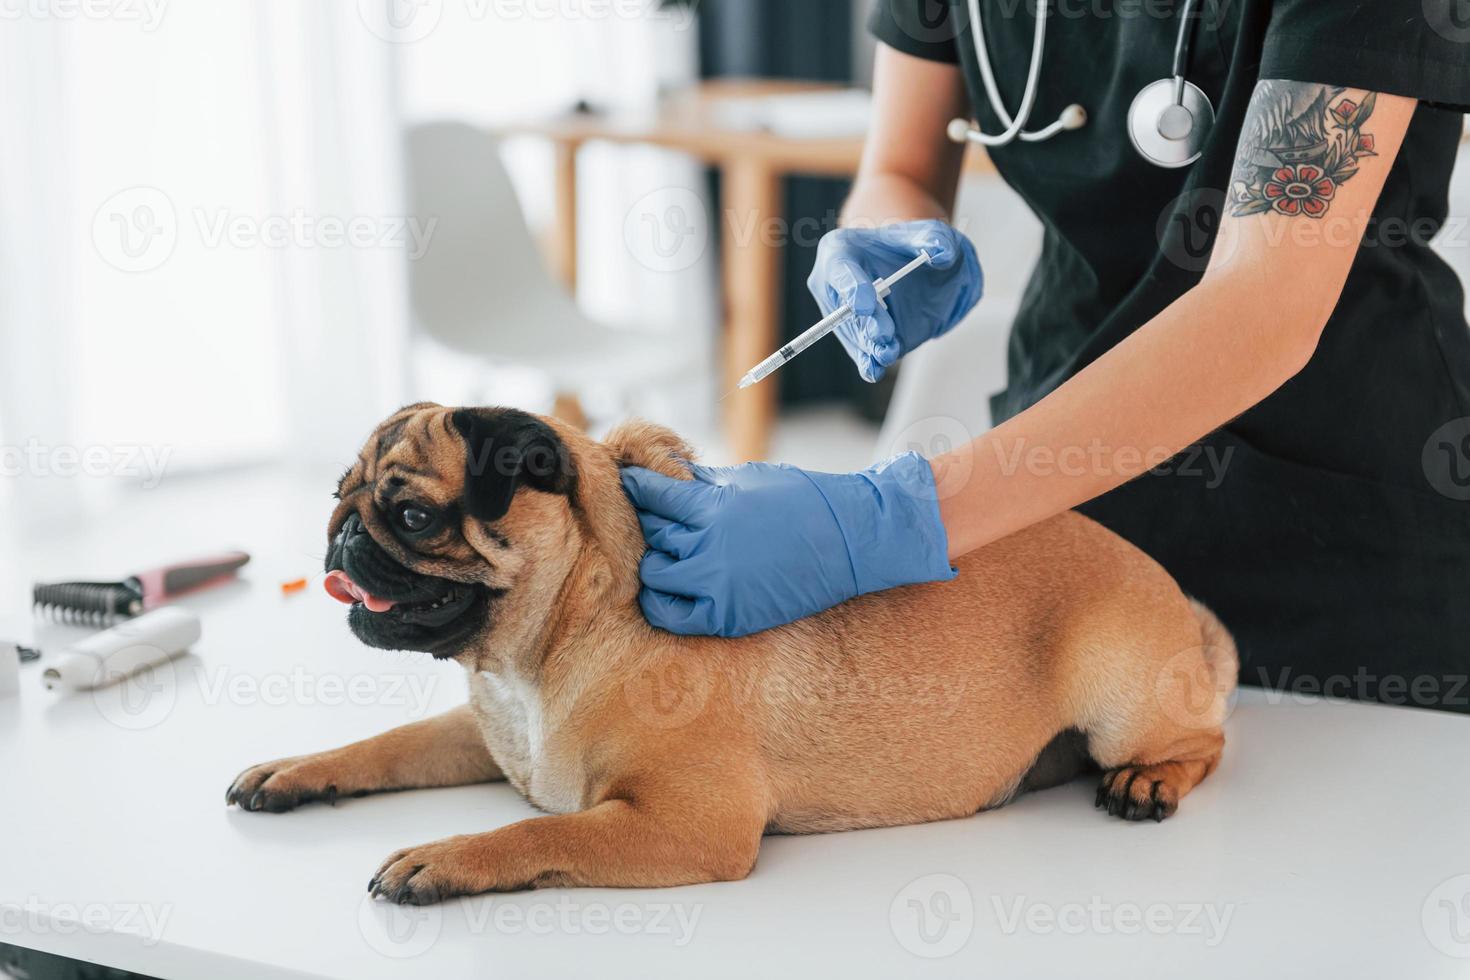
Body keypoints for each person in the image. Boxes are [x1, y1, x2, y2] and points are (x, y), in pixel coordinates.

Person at [621, 0, 1470, 713]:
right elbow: (903, 163)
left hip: (1334, 543)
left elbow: (1264, 306)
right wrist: (883, 234)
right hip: (1051, 495)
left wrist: (890, 519)